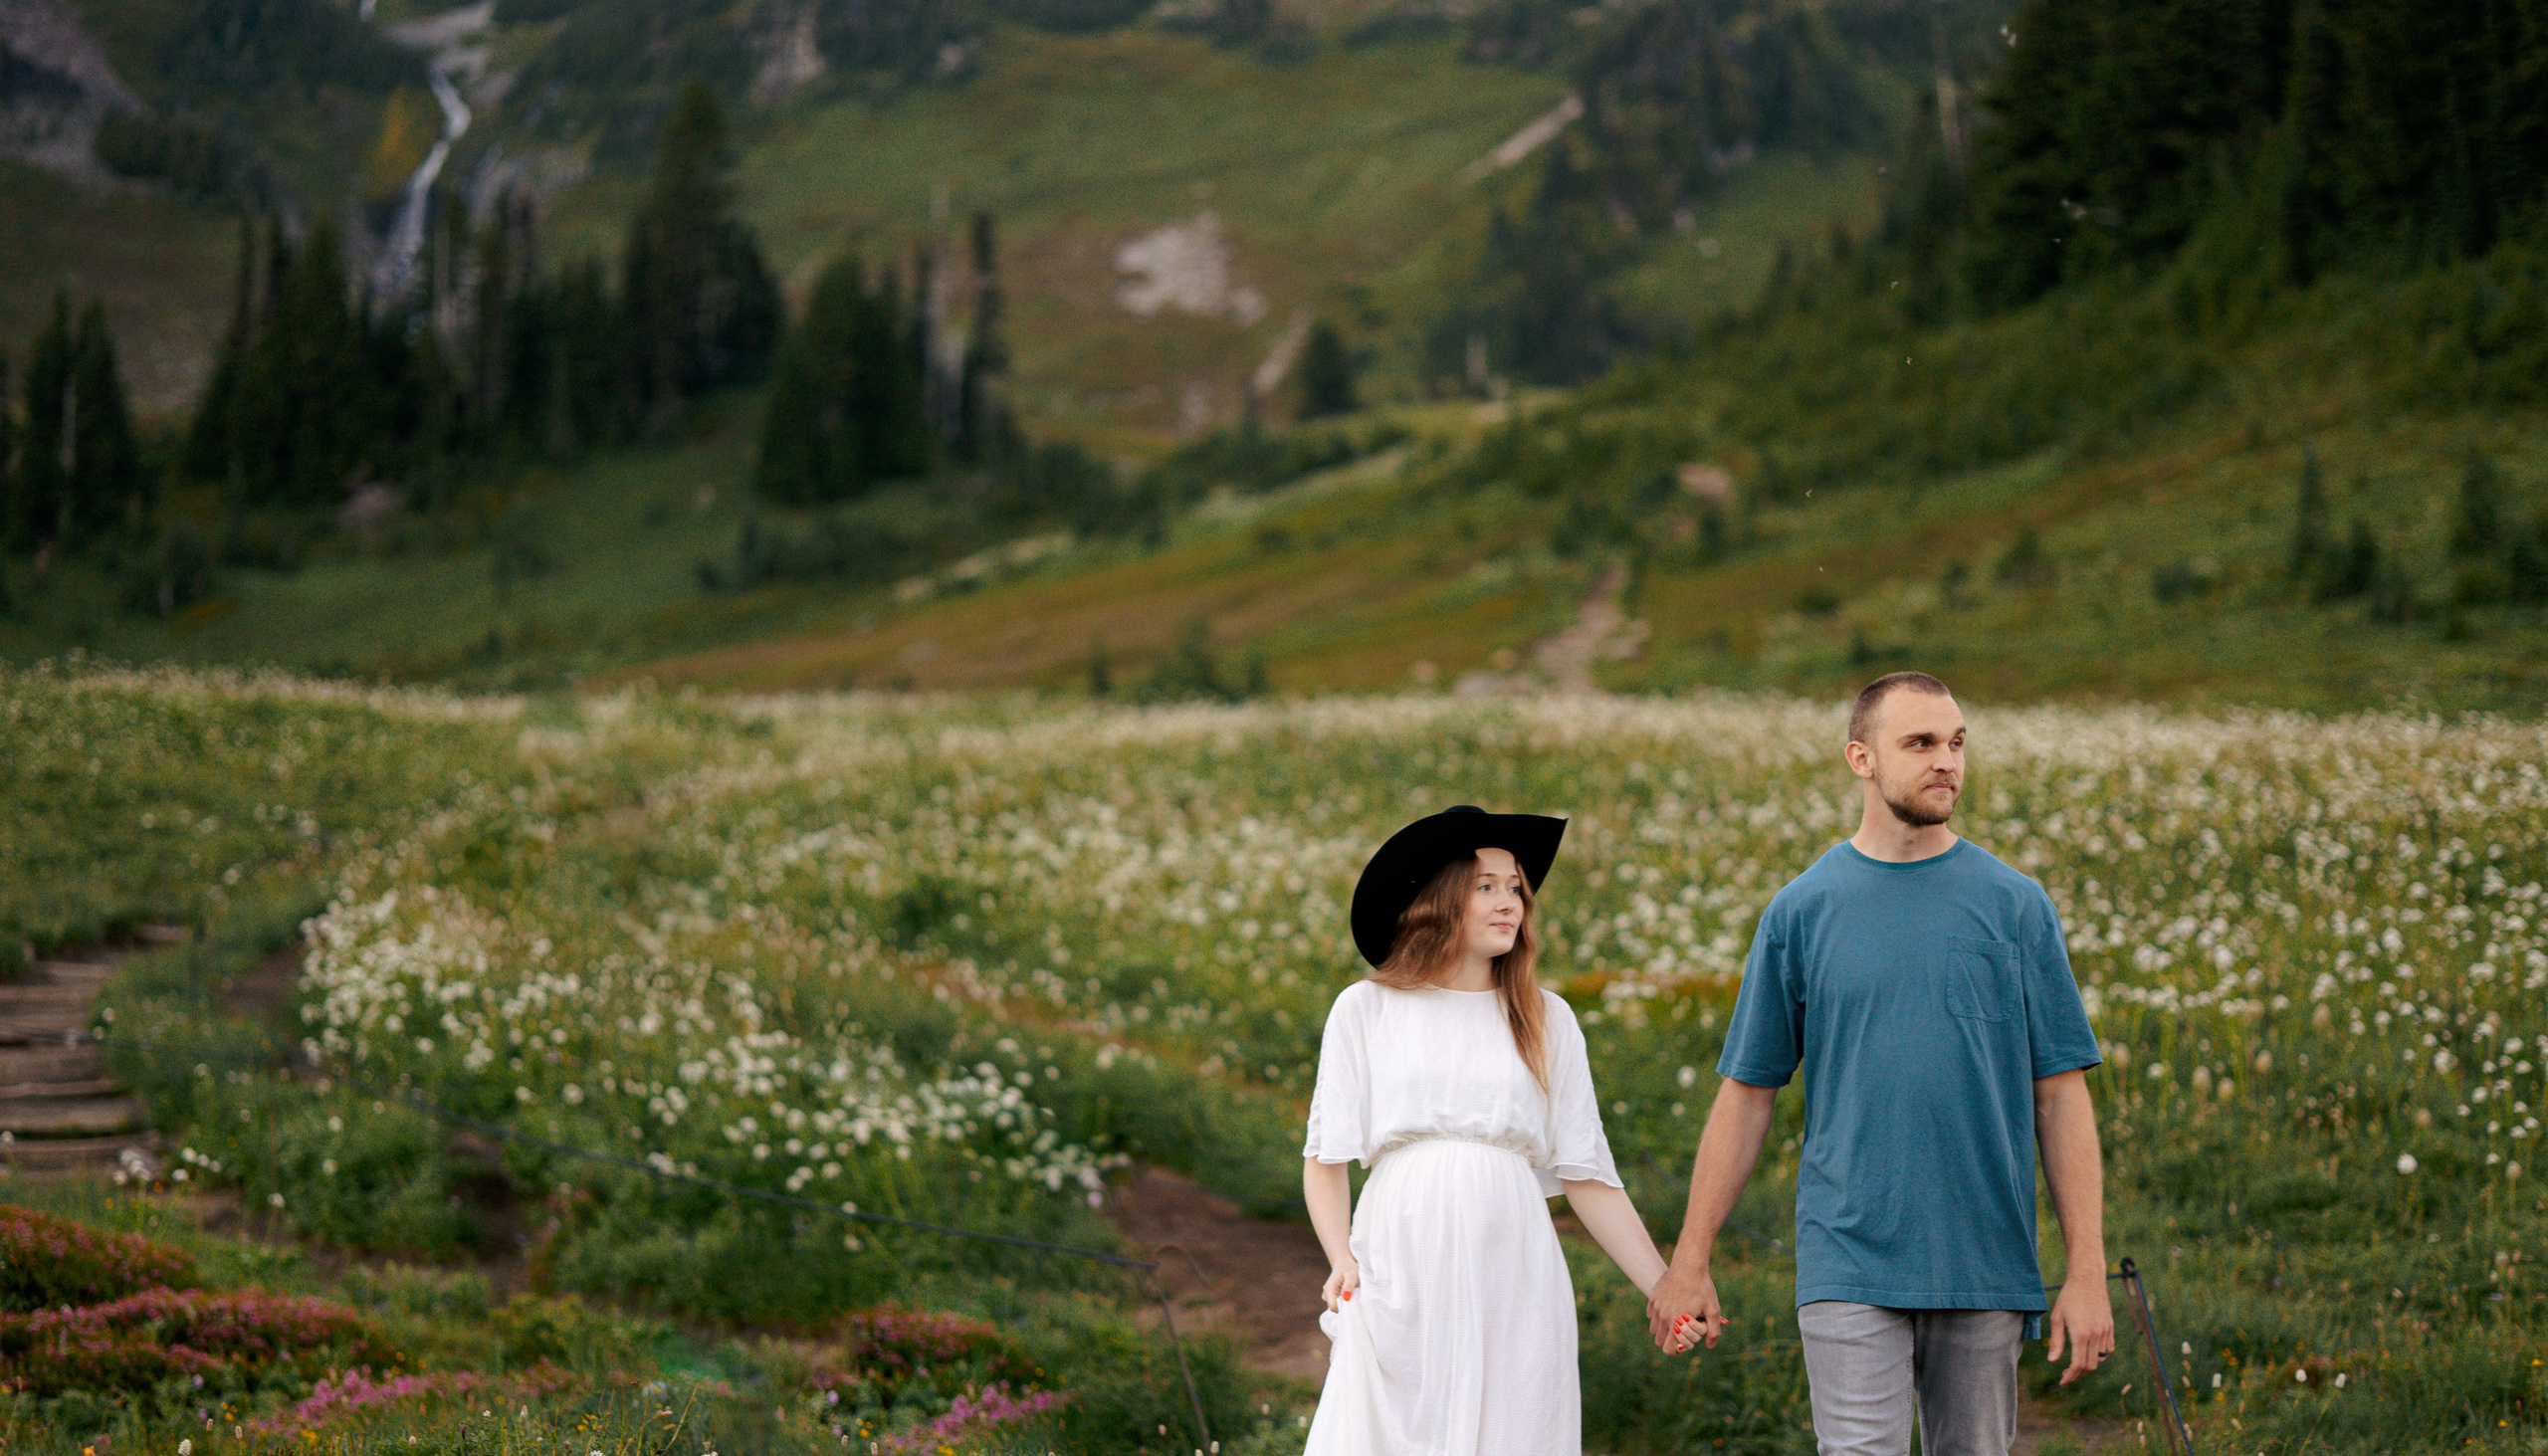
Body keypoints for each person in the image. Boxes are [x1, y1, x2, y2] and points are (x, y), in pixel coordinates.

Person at [1643, 672, 2116, 1456]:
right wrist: (1689, 1260)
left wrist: (2087, 1272)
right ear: (1861, 758)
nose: (1947, 761)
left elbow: (2060, 1097)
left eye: (1956, 742)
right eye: (1921, 742)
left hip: (1986, 1260)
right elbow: (1747, 1094)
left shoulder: (2016, 907)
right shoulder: (1802, 911)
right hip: (1850, 1257)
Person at [1301, 805, 1676, 1455]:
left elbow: (1588, 1174)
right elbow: (1325, 1154)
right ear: (1438, 899)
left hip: (1514, 1264)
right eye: (1486, 886)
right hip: (1400, 1255)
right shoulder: (1366, 1007)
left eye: (1515, 888)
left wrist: (1664, 1286)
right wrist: (1342, 1257)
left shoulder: (1545, 1018)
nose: (1510, 903)